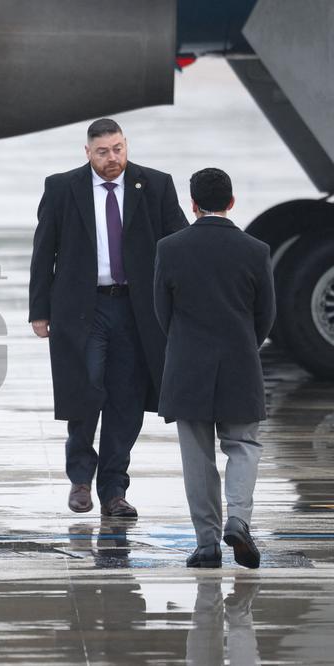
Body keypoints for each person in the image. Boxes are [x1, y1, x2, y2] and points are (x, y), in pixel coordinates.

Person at [29, 118, 188, 517]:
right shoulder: (62, 188)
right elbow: (43, 251)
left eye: (117, 149)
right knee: (85, 389)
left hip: (137, 310)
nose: (112, 158)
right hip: (84, 308)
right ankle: (80, 478)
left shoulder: (156, 185)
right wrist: (39, 310)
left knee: (127, 400)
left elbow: (179, 245)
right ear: (87, 153)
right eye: (102, 152)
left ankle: (114, 490)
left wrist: (183, 304)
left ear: (125, 146)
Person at [154, 168, 275, 568]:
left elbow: (162, 313)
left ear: (193, 204)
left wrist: (186, 346)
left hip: (187, 366)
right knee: (244, 446)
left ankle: (207, 544)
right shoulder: (255, 250)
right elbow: (266, 316)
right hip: (240, 362)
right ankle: (238, 519)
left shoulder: (170, 248)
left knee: (198, 458)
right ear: (232, 202)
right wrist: (244, 345)